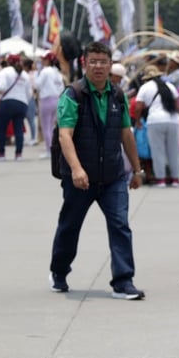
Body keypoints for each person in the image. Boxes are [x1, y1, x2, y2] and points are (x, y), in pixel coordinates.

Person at [49, 41, 146, 300]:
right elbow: (65, 136)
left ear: (110, 64)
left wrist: (137, 170)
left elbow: (126, 134)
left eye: (104, 62)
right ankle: (59, 271)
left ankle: (124, 281)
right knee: (70, 227)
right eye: (93, 61)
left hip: (112, 176)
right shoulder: (73, 95)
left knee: (120, 225)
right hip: (80, 178)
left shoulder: (117, 94)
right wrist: (77, 169)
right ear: (85, 63)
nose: (99, 67)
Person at [135, 65, 179, 187]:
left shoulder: (145, 87)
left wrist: (138, 121)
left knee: (158, 150)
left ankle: (161, 179)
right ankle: (175, 179)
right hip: (172, 120)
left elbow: (138, 106)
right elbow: (178, 106)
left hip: (155, 120)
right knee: (173, 150)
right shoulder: (170, 86)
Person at [0, 54, 31, 161]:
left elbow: (1, 87)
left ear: (9, 62)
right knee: (18, 129)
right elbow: (29, 93)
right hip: (22, 103)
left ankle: (1, 153)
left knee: (2, 128)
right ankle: (19, 154)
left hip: (7, 102)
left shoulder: (5, 71)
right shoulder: (25, 75)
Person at [34, 52, 65, 159]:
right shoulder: (58, 73)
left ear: (47, 60)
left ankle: (49, 150)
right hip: (57, 99)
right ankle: (53, 148)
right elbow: (61, 88)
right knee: (52, 127)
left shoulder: (45, 71)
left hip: (46, 99)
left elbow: (37, 84)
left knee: (46, 127)